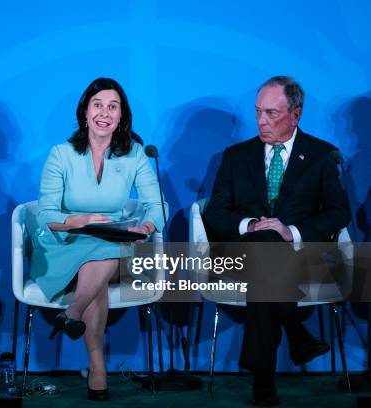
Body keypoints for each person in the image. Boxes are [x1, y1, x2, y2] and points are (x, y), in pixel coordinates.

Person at [202, 76, 350, 406]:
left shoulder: (322, 155)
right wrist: (252, 225)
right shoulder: (235, 156)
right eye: (257, 112)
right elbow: (215, 213)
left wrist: (291, 232)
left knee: (268, 257)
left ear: (296, 114)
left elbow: (339, 213)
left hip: (299, 258)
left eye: (271, 113)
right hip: (245, 257)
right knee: (264, 245)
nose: (261, 122)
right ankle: (297, 335)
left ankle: (265, 378)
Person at [31, 77, 166, 401]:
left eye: (113, 106)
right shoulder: (61, 154)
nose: (104, 113)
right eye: (98, 105)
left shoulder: (134, 155)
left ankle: (75, 317)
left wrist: (146, 227)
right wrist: (78, 220)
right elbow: (45, 213)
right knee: (101, 263)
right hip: (66, 245)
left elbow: (157, 204)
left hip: (117, 246)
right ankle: (97, 365)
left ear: (121, 117)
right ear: (85, 111)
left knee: (107, 248)